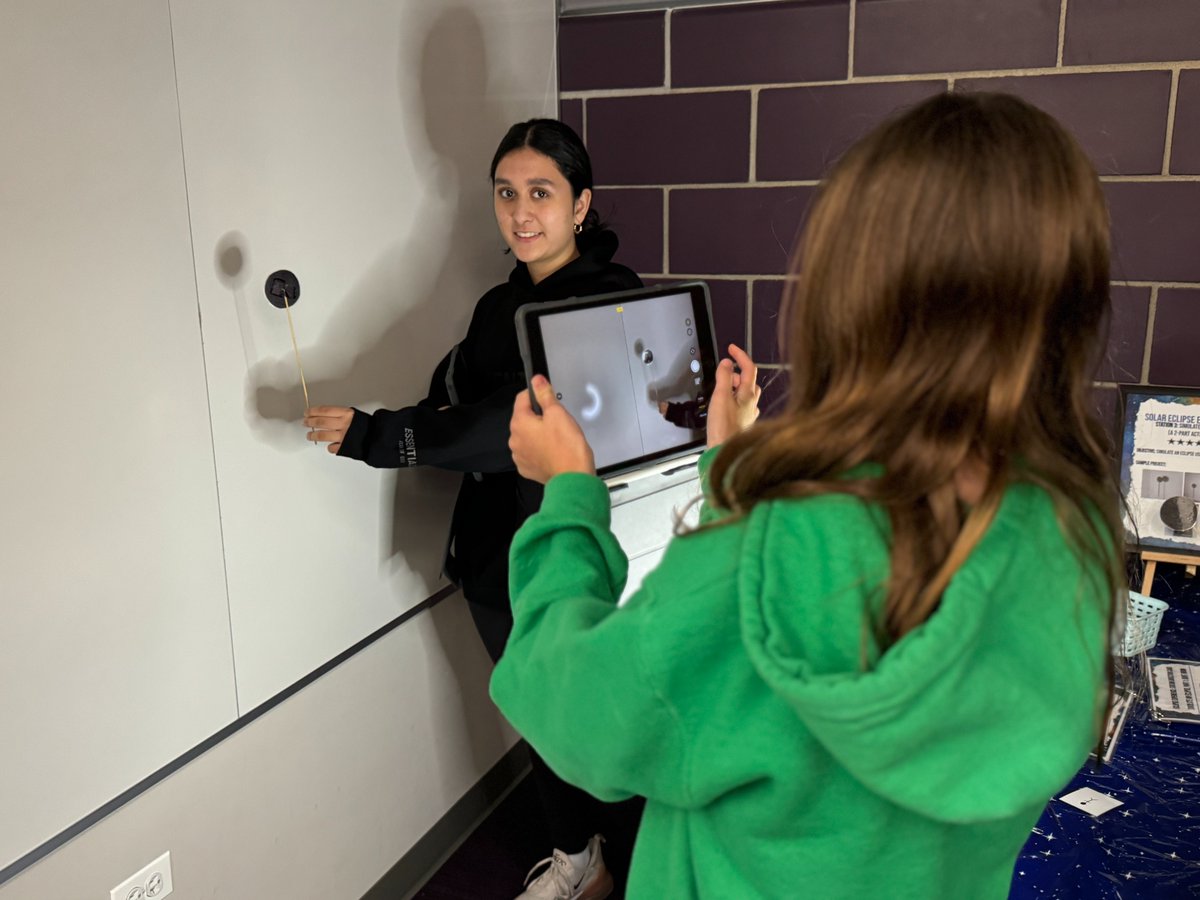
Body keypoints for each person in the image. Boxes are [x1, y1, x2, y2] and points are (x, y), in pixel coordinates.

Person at [492, 92, 1125, 899]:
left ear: (848, 291)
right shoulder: (1071, 529)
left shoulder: (764, 553)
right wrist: (734, 460)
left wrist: (572, 497)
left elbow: (575, 710)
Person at [304, 118, 642, 900]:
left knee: (596, 721)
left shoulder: (609, 300)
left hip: (577, 553)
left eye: (541, 193)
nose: (521, 213)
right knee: (539, 716)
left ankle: (629, 863)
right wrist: (405, 415)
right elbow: (456, 388)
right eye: (505, 193)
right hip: (498, 554)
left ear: (581, 203)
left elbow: (509, 422)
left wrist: (379, 435)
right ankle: (579, 858)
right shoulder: (500, 304)